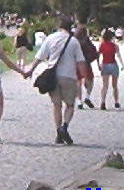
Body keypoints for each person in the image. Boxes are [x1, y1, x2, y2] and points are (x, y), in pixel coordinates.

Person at [24, 16, 87, 145]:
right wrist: (85, 77)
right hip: (69, 76)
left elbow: (40, 57)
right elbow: (81, 62)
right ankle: (65, 127)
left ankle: (58, 133)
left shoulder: (50, 38)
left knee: (56, 105)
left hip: (53, 76)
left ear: (59, 26)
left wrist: (30, 71)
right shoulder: (74, 41)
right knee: (69, 105)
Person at [97, 28, 124, 110]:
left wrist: (98, 64)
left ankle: (102, 102)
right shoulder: (115, 46)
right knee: (115, 85)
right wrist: (122, 64)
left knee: (105, 85)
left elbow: (98, 55)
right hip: (113, 64)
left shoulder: (102, 45)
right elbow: (118, 55)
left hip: (105, 64)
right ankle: (116, 102)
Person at [75, 26, 98, 109]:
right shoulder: (87, 41)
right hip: (86, 63)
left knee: (78, 82)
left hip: (76, 64)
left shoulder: (74, 41)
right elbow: (94, 51)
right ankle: (87, 97)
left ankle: (79, 101)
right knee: (90, 80)